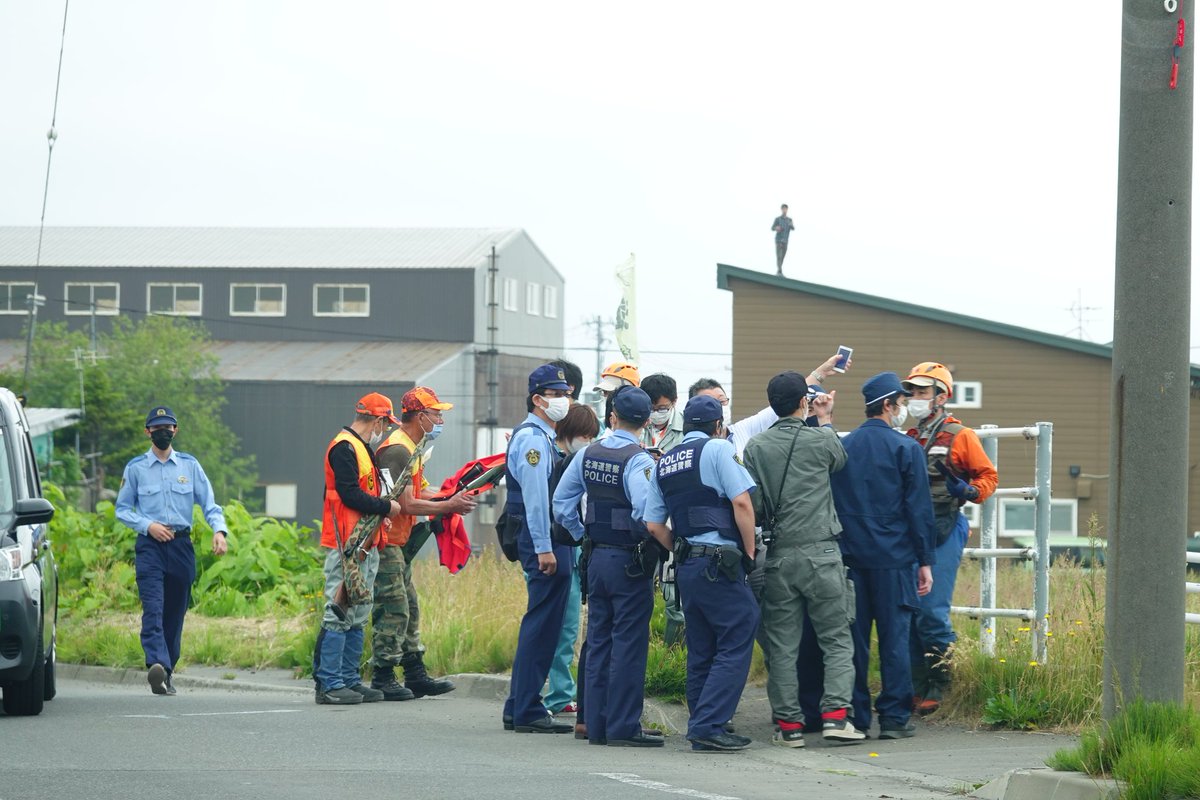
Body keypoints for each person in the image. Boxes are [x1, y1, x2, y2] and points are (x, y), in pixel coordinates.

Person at [743, 372, 863, 747]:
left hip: (779, 555)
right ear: (803, 402)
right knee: (837, 639)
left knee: (782, 646)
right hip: (823, 552)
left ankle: (789, 726)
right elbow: (839, 461)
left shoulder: (756, 448)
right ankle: (836, 717)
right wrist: (824, 417)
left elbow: (756, 504)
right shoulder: (821, 439)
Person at [643, 395, 759, 752]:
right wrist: (749, 554)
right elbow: (741, 502)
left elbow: (652, 525)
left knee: (703, 645)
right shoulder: (718, 449)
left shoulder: (665, 463)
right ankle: (709, 725)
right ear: (718, 426)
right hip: (718, 562)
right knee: (741, 627)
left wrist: (682, 548)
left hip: (688, 565)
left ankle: (701, 721)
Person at [555, 386, 666, 747]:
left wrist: (582, 533)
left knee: (598, 641)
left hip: (595, 557)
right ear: (647, 421)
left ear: (612, 416)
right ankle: (622, 725)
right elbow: (645, 511)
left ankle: (592, 722)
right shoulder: (640, 461)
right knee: (629, 643)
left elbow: (561, 503)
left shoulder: (587, 454)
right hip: (628, 560)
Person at [829, 373, 936, 738]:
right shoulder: (907, 449)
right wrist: (925, 561)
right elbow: (919, 510)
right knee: (895, 639)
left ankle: (858, 717)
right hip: (894, 558)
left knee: (854, 641)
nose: (905, 407)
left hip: (851, 557)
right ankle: (893, 718)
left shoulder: (845, 445)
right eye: (902, 402)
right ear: (889, 405)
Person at [901, 362, 998, 716]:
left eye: (922, 391)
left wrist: (970, 489)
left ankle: (942, 682)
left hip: (944, 525)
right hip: (910, 529)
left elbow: (988, 476)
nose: (914, 397)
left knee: (930, 610)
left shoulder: (961, 435)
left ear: (941, 396)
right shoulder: (909, 436)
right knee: (909, 610)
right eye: (911, 391)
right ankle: (915, 683)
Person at [370, 387, 477, 701]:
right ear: (420, 416)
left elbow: (422, 492)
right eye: (437, 413)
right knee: (394, 609)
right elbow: (407, 504)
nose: (441, 419)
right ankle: (384, 675)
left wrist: (455, 495)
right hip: (385, 539)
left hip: (398, 540)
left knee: (409, 608)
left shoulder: (411, 448)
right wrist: (448, 506)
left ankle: (414, 674)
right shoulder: (397, 450)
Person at [116, 405, 230, 696]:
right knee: (153, 607)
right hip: (150, 546)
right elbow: (123, 509)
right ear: (148, 432)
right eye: (157, 428)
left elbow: (209, 504)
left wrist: (219, 531)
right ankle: (156, 661)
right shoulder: (136, 468)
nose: (163, 432)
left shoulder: (190, 466)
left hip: (181, 545)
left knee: (175, 612)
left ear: (175, 431)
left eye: (168, 427)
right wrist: (148, 525)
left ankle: (165, 672)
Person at [313, 393, 403, 706]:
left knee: (358, 610)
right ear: (378, 420)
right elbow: (350, 494)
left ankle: (349, 679)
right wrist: (386, 506)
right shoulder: (344, 446)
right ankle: (329, 682)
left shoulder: (361, 447)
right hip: (346, 542)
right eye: (385, 423)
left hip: (365, 542)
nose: (385, 429)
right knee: (338, 610)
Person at [502, 364, 576, 733]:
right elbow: (536, 499)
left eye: (566, 393)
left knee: (544, 622)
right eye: (557, 394)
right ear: (538, 399)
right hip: (542, 540)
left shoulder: (541, 436)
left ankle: (519, 704)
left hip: (543, 538)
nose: (565, 400)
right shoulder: (533, 439)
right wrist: (545, 548)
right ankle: (527, 707)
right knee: (543, 624)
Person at [544, 402, 599, 719]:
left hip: (571, 548)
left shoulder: (568, 459)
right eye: (585, 436)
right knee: (564, 626)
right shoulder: (558, 461)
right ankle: (559, 694)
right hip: (561, 547)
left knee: (566, 626)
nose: (588, 442)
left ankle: (559, 692)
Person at [688, 352, 848, 456]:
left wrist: (821, 373)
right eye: (711, 403)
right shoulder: (687, 449)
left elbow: (790, 395)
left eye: (722, 400)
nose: (719, 407)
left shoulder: (741, 431)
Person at [639, 373, 684, 455]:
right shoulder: (634, 423)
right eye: (651, 409)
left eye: (662, 408)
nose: (656, 413)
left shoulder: (685, 426)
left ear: (674, 401)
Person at [772, 203, 795, 275]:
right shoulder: (778, 219)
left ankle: (779, 269)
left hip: (785, 240)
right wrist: (776, 228)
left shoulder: (789, 220)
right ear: (781, 209)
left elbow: (793, 228)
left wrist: (790, 225)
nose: (784, 210)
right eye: (783, 208)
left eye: (786, 209)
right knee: (779, 255)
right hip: (778, 240)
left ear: (787, 210)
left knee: (782, 256)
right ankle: (779, 270)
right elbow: (772, 228)